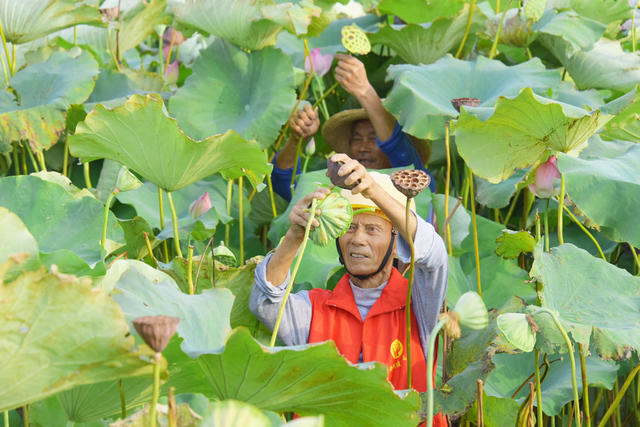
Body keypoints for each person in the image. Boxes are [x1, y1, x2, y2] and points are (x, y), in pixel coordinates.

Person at [250, 155, 447, 426]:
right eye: (350, 228)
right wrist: (295, 234)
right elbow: (265, 300)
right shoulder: (314, 308)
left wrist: (372, 190)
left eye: (372, 229)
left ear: (396, 239)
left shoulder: (420, 304)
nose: (358, 239)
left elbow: (434, 254)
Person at [271, 54, 434, 202]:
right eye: (356, 139)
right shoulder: (333, 193)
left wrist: (364, 91)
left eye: (373, 138)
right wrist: (296, 139)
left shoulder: (416, 187)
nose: (363, 148)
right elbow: (284, 183)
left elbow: (400, 150)